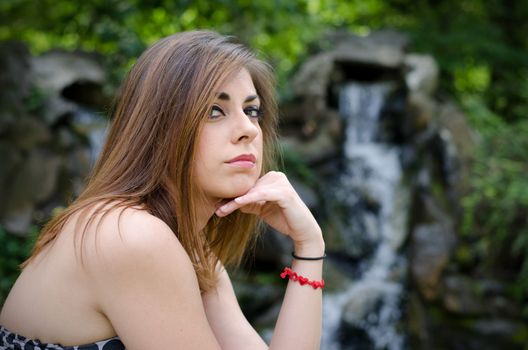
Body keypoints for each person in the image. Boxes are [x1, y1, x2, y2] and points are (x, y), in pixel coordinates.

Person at [0, 30, 325, 350]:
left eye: (251, 110)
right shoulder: (132, 235)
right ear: (159, 129)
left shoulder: (188, 246)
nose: (247, 130)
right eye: (214, 110)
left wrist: (309, 245)